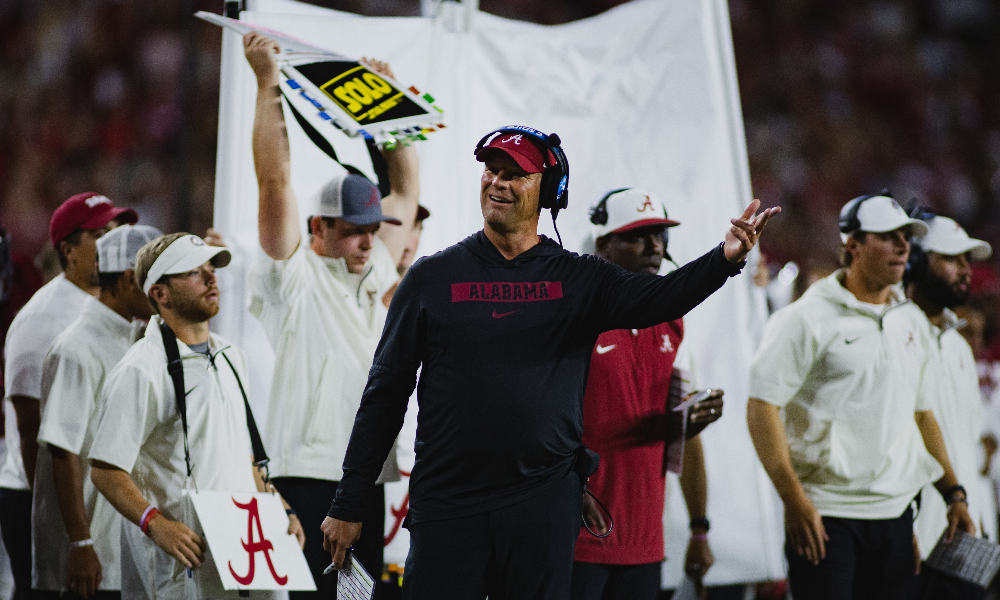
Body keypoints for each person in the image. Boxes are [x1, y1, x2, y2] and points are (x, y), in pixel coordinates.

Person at [321, 126, 778, 599]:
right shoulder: (432, 278)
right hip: (449, 507)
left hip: (541, 509)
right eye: (490, 171)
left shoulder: (580, 279)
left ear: (549, 190)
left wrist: (725, 258)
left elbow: (661, 297)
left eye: (514, 174)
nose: (497, 182)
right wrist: (349, 500)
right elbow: (385, 393)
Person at [242, 32, 421, 596]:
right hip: (308, 475)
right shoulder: (291, 276)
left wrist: (384, 105)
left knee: (363, 597)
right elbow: (274, 181)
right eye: (354, 232)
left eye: (374, 232)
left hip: (369, 477)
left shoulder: (370, 270)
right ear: (318, 228)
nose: (369, 244)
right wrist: (267, 84)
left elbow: (407, 188)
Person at [747, 193, 976, 600]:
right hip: (827, 514)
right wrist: (793, 500)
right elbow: (761, 406)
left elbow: (921, 416)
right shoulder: (805, 319)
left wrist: (953, 493)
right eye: (888, 236)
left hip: (895, 516)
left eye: (906, 236)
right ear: (852, 245)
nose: (903, 246)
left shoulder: (911, 320)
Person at [88, 233, 304, 599]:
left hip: (244, 548)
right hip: (186, 560)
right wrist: (155, 524)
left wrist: (278, 504)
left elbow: (240, 451)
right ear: (160, 294)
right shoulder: (141, 369)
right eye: (193, 271)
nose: (210, 277)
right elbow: (106, 469)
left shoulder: (231, 355)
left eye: (211, 268)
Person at [569, 189, 723, 599]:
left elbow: (683, 437)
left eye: (660, 235)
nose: (654, 246)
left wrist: (700, 528)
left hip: (644, 539)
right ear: (602, 244)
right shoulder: (573, 315)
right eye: (638, 235)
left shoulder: (672, 322)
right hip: (576, 535)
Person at [1, 193, 137, 599]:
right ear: (68, 250)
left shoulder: (110, 307)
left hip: (90, 493)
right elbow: (31, 430)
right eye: (100, 233)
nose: (114, 240)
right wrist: (64, 529)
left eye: (117, 231)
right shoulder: (44, 319)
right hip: (34, 493)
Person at [31, 224, 161, 599]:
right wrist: (80, 544)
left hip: (122, 549)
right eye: (153, 280)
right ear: (126, 280)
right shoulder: (76, 347)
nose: (159, 292)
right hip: (88, 561)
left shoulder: (138, 339)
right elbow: (62, 450)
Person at [905, 212, 996, 599]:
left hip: (966, 531)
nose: (965, 271)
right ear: (917, 261)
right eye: (952, 259)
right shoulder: (896, 332)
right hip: (912, 535)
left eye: (967, 261)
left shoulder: (960, 346)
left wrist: (980, 519)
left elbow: (966, 440)